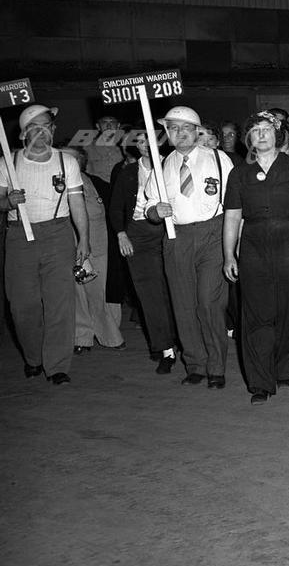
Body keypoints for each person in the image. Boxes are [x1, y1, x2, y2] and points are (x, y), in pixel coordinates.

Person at [0, 105, 91, 385]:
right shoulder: (8, 163)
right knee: (22, 306)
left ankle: (58, 365)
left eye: (47, 126)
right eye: (34, 127)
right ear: (23, 133)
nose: (42, 132)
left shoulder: (67, 162)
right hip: (20, 236)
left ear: (53, 130)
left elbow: (77, 203)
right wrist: (7, 202)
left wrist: (84, 239)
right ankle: (33, 357)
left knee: (60, 303)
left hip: (58, 234)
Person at [222, 113, 289, 405]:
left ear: (278, 134)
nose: (261, 134)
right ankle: (260, 381)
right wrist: (228, 254)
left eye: (267, 129)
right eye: (255, 130)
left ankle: (286, 368)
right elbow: (232, 216)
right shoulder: (239, 174)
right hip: (254, 247)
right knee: (256, 314)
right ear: (248, 138)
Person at [145, 106, 234, 389]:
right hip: (177, 236)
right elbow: (148, 205)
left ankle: (216, 367)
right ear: (167, 133)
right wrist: (155, 211)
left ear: (197, 132)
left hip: (213, 233)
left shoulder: (218, 159)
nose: (180, 133)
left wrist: (233, 243)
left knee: (209, 302)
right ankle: (195, 364)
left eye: (186, 128)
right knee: (183, 304)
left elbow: (234, 202)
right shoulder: (161, 166)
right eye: (173, 128)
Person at [110, 135, 177, 372]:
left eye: (151, 139)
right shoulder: (128, 172)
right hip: (138, 235)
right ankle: (165, 348)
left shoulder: (173, 164)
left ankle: (181, 338)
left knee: (175, 290)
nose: (146, 145)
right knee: (150, 294)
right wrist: (121, 234)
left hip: (170, 232)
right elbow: (116, 207)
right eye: (140, 141)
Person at [70, 149, 124, 354]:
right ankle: (81, 337)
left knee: (99, 290)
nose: (69, 161)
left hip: (99, 243)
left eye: (74, 158)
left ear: (82, 161)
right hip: (68, 243)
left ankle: (110, 335)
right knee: (76, 292)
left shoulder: (96, 183)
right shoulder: (55, 183)